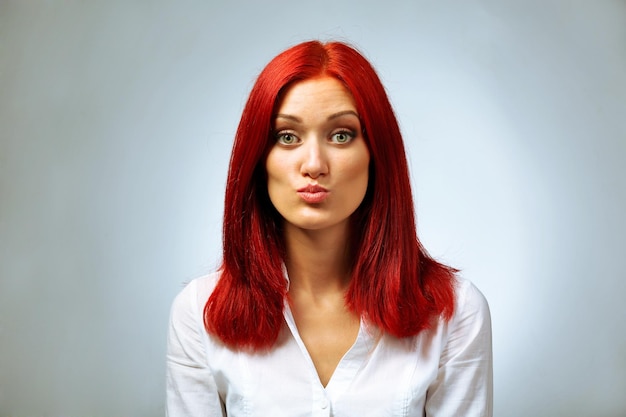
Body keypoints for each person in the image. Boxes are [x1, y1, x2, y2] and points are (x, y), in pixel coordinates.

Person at [166, 40, 493, 417]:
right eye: (287, 137)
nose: (314, 164)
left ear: (376, 153)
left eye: (341, 135)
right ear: (259, 158)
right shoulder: (198, 313)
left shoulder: (455, 312)